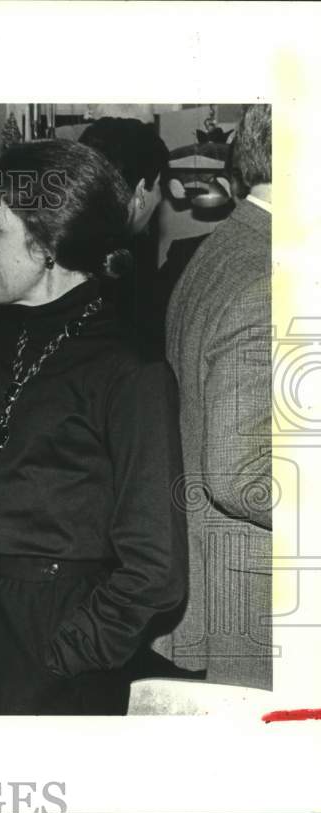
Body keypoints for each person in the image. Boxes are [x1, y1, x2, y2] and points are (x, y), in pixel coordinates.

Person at [0, 140, 187, 715]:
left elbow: (156, 567)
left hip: (44, 635)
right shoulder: (4, 340)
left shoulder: (130, 370)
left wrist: (70, 651)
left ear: (46, 240)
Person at [152, 104, 273, 690]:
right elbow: (241, 473)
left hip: (226, 582)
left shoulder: (229, 245)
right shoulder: (269, 271)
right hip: (262, 597)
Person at [79, 117, 170, 359]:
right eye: (160, 186)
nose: (161, 198)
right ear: (141, 190)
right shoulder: (131, 275)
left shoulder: (63, 249)